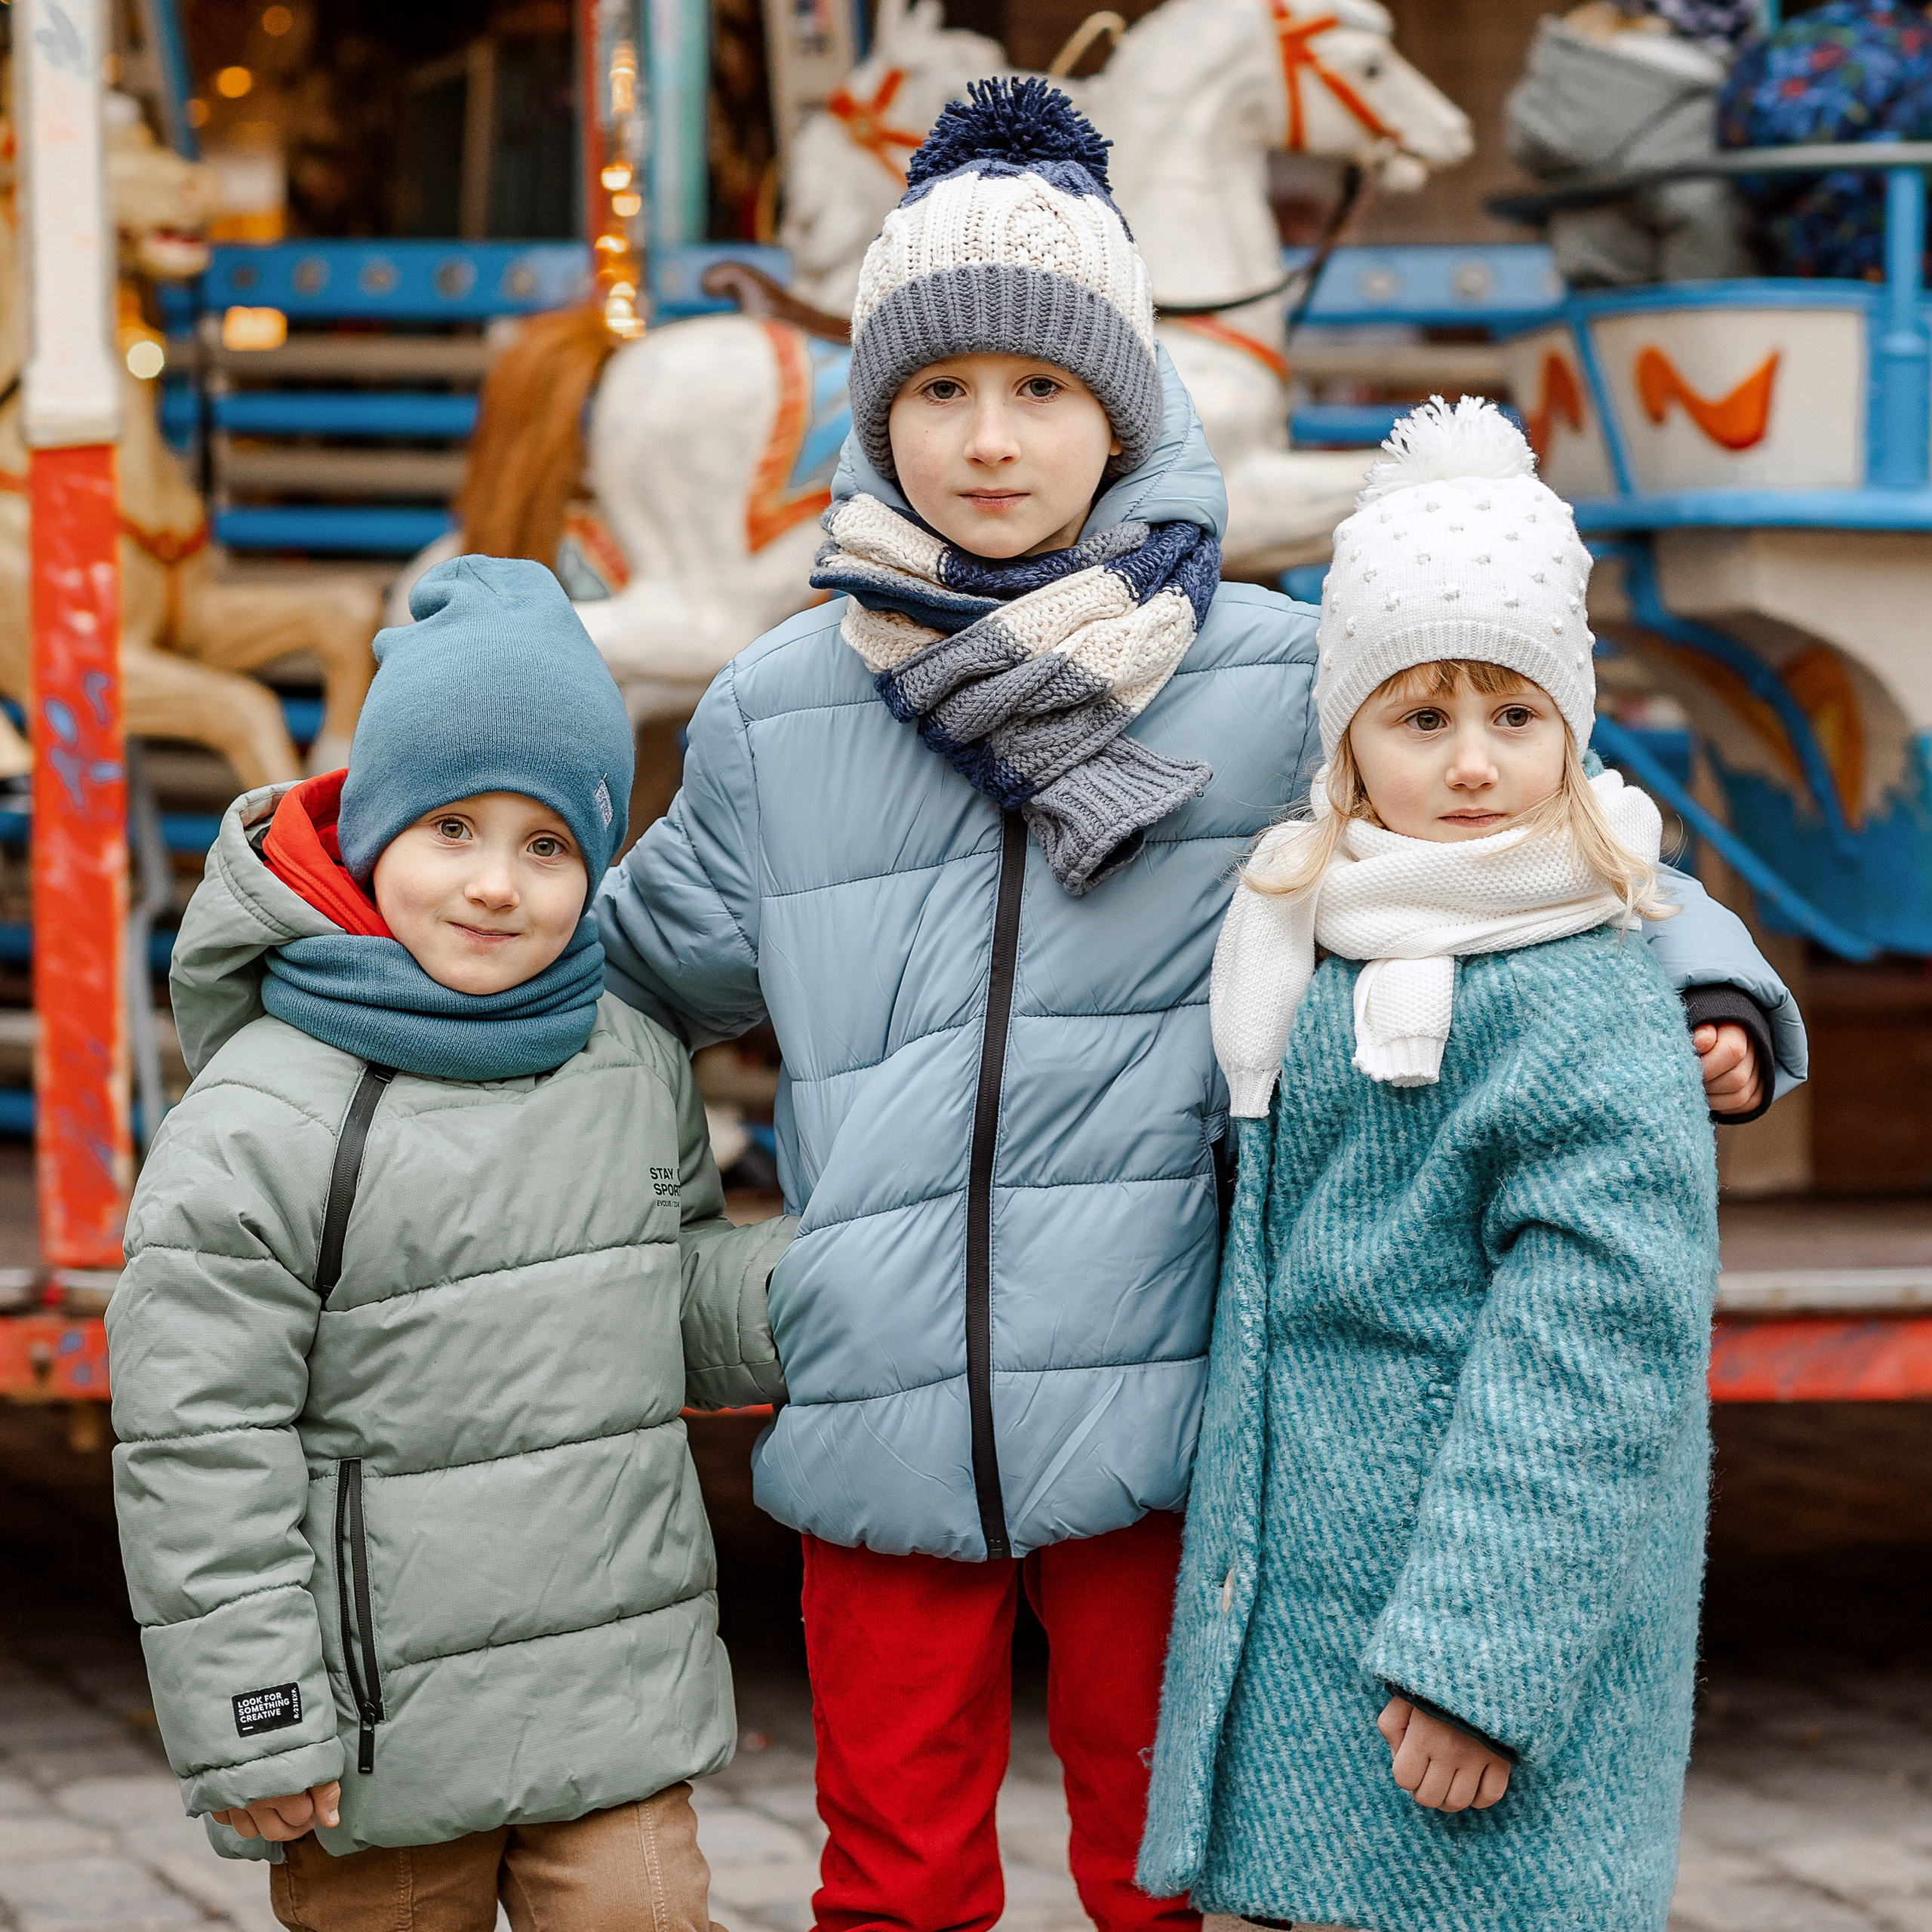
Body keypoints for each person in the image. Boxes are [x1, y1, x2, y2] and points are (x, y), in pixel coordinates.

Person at [595, 81, 1801, 1932]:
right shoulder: (782, 705)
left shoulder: (1258, 675)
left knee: (1159, 1869)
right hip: (880, 1401)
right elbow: (626, 974)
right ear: (875, 412)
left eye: (1042, 390)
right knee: (889, 1872)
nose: (988, 442)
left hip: (1173, 1409)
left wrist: (1690, 967)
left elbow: (1526, 828)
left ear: (1125, 405)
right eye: (937, 391)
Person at [106, 557, 792, 1931]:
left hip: (612, 1695)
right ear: (373, 836)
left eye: (548, 846)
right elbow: (198, 1438)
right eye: (452, 831)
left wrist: (838, 1274)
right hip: (379, 1736)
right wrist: (257, 1717)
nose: (495, 885)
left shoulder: (628, 1056)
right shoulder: (266, 1111)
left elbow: (668, 1301)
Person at [1137, 398, 1721, 1932]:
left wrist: (1476, 1654)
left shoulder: (1575, 987)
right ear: (1346, 741)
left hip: (1460, 1640)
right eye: (1420, 716)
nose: (1470, 764)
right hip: (1324, 1595)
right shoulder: (1323, 932)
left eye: (1513, 717)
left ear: (1570, 730)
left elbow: (1597, 1351)